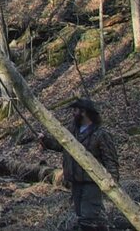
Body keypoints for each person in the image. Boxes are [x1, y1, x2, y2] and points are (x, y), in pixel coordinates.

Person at [38, 98, 119, 231]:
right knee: (81, 216)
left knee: (89, 218)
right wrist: (45, 140)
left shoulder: (100, 134)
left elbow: (111, 159)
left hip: (92, 182)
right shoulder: (72, 130)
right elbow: (60, 145)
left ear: (83, 112)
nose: (73, 113)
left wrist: (113, 181)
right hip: (75, 182)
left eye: (75, 110)